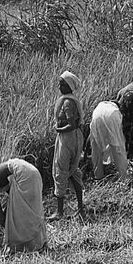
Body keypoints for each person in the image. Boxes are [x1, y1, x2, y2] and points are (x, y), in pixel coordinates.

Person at [0, 158, 47, 253]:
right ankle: (35, 242)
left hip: (24, 175)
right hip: (32, 172)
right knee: (28, 209)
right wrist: (6, 216)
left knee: (25, 211)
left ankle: (26, 245)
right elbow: (11, 199)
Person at [50, 70, 85, 221]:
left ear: (68, 86)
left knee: (61, 171)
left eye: (62, 83)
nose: (59, 86)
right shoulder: (72, 100)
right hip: (75, 137)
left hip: (67, 138)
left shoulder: (67, 103)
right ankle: (81, 208)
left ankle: (59, 212)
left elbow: (70, 124)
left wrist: (59, 129)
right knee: (73, 171)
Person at [89, 100, 128, 181]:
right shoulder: (116, 109)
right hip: (112, 116)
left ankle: (98, 176)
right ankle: (123, 177)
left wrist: (86, 154)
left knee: (96, 148)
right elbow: (120, 135)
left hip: (96, 117)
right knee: (117, 147)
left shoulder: (101, 106)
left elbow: (91, 138)